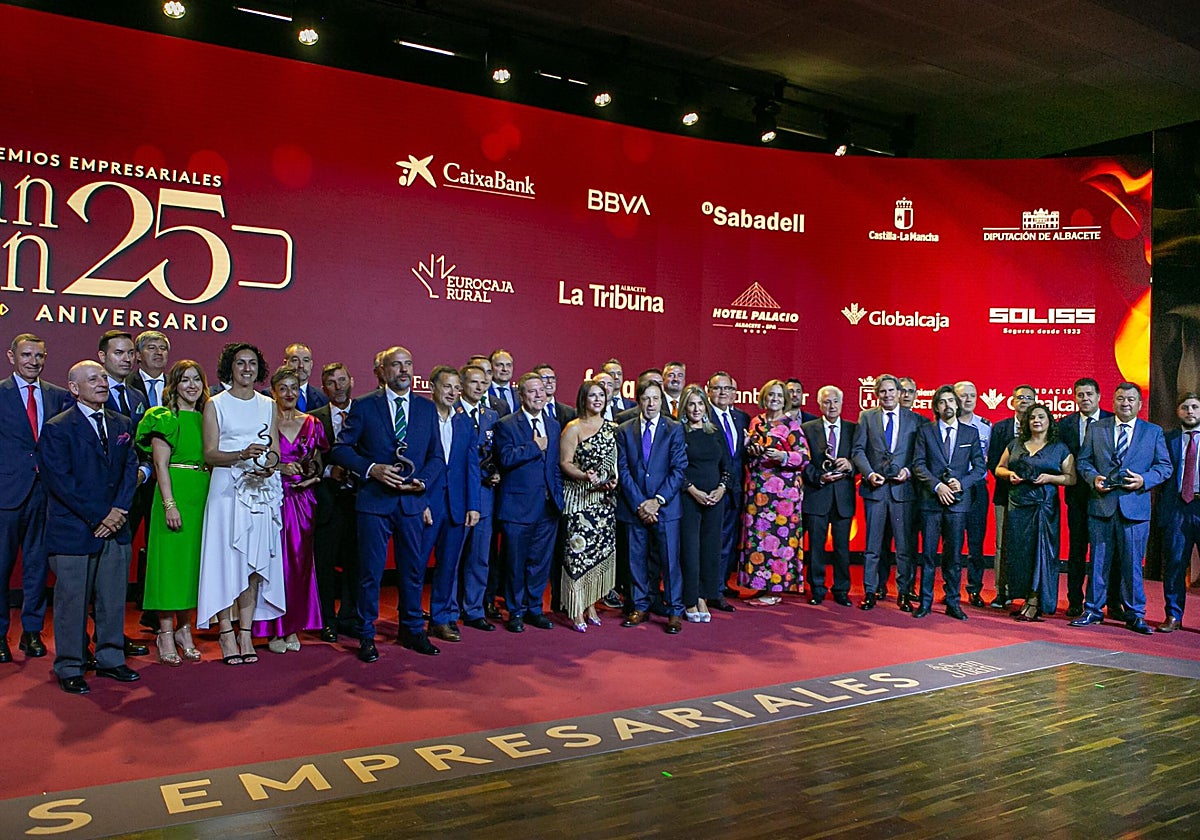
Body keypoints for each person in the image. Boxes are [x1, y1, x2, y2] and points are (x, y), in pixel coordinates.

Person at [331, 346, 445, 662]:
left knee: (412, 571)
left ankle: (412, 630)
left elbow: (437, 456)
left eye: (408, 364)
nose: (404, 370)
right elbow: (341, 450)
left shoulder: (426, 409)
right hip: (374, 504)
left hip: (411, 502)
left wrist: (424, 480)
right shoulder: (365, 407)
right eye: (396, 365)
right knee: (370, 573)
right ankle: (366, 635)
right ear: (382, 370)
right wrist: (372, 469)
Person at [37, 361, 141, 694]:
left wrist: (119, 510)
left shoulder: (122, 423)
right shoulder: (58, 427)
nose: (102, 383)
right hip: (74, 531)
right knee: (72, 603)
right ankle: (70, 664)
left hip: (115, 528)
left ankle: (111, 659)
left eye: (104, 378)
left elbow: (129, 470)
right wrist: (100, 516)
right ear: (74, 387)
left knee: (112, 599)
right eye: (93, 379)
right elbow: (60, 482)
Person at [196, 343, 284, 665]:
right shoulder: (215, 404)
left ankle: (245, 631)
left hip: (261, 491)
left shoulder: (268, 405)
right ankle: (225, 632)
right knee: (225, 560)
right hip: (226, 490)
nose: (246, 369)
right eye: (239, 363)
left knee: (253, 564)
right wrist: (240, 456)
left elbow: (274, 450)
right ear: (229, 368)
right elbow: (209, 454)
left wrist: (268, 465)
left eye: (251, 363)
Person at [1071, 383, 1173, 634]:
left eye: (1130, 400)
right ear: (1112, 401)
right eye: (1120, 399)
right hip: (1101, 505)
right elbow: (1083, 461)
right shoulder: (1096, 429)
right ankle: (1092, 610)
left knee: (1132, 564)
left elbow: (1164, 467)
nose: (1125, 404)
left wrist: (1144, 480)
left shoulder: (1153, 432)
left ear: (1139, 404)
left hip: (1135, 509)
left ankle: (1135, 614)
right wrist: (1093, 477)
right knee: (1097, 562)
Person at [0, 334, 71, 663]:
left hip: (46, 495)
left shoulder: (58, 396)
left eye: (39, 356)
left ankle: (31, 632)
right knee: (1, 569)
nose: (33, 361)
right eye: (26, 355)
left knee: (37, 568)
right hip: (6, 495)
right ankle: (0, 634)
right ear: (11, 357)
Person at [136, 360, 212, 665]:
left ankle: (185, 629)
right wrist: (169, 504)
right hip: (175, 496)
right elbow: (160, 466)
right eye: (184, 380)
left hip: (203, 496)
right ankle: (165, 632)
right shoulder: (164, 417)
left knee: (193, 568)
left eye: (196, 379)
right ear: (174, 386)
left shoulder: (208, 418)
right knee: (170, 568)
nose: (191, 385)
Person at [253, 366, 327, 653]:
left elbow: (317, 463)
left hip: (303, 499)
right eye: (282, 388)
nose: (289, 393)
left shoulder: (311, 422)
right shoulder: (263, 420)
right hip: (271, 497)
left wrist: (312, 475)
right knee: (273, 564)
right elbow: (256, 460)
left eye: (294, 388)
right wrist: (279, 468)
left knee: (299, 563)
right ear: (273, 392)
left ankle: (294, 625)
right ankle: (273, 629)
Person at [495, 372, 563, 633]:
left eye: (542, 390)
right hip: (517, 509)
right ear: (521, 395)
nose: (539, 395)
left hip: (548, 507)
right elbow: (505, 458)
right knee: (515, 562)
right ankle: (515, 611)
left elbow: (554, 465)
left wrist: (557, 496)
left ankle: (535, 609)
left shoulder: (554, 424)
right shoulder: (507, 425)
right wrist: (534, 447)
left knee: (539, 563)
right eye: (533, 391)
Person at [617, 380, 688, 633]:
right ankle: (639, 606)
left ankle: (674, 610)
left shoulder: (674, 428)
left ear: (661, 401)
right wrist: (640, 503)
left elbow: (679, 469)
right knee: (636, 560)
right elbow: (623, 470)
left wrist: (656, 501)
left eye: (655, 399)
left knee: (670, 562)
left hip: (665, 508)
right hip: (634, 508)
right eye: (646, 398)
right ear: (638, 401)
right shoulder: (624, 430)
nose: (650, 404)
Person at [911, 385, 986, 620]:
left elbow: (980, 467)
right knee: (929, 555)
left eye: (951, 401)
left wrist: (961, 483)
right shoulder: (925, 431)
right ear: (936, 407)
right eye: (942, 402)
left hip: (958, 502)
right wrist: (937, 486)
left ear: (957, 404)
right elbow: (918, 465)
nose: (947, 406)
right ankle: (925, 602)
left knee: (954, 556)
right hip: (930, 502)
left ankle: (953, 602)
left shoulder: (970, 433)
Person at [995, 402, 1074, 621]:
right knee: (1020, 553)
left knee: (1041, 553)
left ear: (1049, 421)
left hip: (1043, 508)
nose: (1036, 421)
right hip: (1018, 507)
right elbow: (999, 468)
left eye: (1041, 417)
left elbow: (1071, 477)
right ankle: (1023, 597)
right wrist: (1008, 475)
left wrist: (1050, 478)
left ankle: (1035, 601)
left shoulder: (1059, 447)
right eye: (1032, 418)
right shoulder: (1015, 444)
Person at [851, 374, 920, 610]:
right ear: (876, 394)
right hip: (875, 490)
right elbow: (858, 450)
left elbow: (920, 456)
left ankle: (903, 593)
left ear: (900, 393)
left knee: (903, 547)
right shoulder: (866, 417)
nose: (888, 395)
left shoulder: (916, 420)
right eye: (883, 392)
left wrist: (908, 472)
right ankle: (870, 591)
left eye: (892, 391)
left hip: (903, 491)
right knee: (872, 546)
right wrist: (869, 473)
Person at [739, 379, 810, 605]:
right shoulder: (755, 422)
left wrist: (784, 457)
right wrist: (750, 447)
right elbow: (750, 452)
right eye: (771, 395)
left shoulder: (791, 425)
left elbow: (805, 457)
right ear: (764, 397)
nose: (775, 399)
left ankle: (775, 589)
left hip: (783, 495)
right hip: (758, 489)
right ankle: (761, 586)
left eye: (779, 396)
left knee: (778, 541)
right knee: (759, 540)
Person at [425, 366, 481, 643]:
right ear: (432, 387)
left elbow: (472, 464)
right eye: (447, 386)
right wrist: (420, 501)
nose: (452, 392)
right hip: (426, 504)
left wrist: (474, 504)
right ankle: (410, 619)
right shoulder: (421, 418)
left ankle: (442, 617)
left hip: (457, 505)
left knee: (449, 565)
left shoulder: (463, 422)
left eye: (456, 387)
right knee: (416, 565)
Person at [558, 378, 618, 631]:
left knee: (598, 554)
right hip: (578, 502)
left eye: (601, 396)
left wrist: (612, 481)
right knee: (578, 555)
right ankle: (576, 608)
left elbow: (616, 466)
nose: (597, 400)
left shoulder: (613, 428)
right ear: (583, 399)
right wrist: (584, 476)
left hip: (604, 505)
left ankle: (592, 603)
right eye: (592, 395)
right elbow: (565, 463)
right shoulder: (573, 428)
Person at [1057, 377, 1115, 618]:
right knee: (1078, 551)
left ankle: (1112, 602)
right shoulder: (1064, 424)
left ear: (1099, 396)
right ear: (1075, 398)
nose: (1085, 399)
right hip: (1078, 498)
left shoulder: (1113, 420)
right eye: (1080, 395)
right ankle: (1075, 600)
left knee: (1108, 552)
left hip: (1108, 497)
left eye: (1089, 394)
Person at [310, 363, 360, 641]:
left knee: (356, 564)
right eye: (332, 382)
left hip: (359, 502)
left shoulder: (366, 413)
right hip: (327, 502)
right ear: (324, 387)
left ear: (351, 381)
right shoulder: (313, 419)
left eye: (342, 380)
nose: (338, 386)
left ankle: (350, 617)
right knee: (325, 566)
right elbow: (307, 461)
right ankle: (326, 620)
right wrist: (330, 471)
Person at [801, 385, 857, 607]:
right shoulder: (807, 428)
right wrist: (819, 478)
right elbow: (802, 462)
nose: (831, 406)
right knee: (816, 547)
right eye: (826, 402)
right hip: (817, 495)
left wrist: (851, 465)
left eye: (835, 401)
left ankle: (842, 589)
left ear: (842, 404)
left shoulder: (854, 429)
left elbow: (862, 459)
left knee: (842, 548)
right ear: (819, 404)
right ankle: (817, 588)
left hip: (843, 497)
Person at [457, 363, 503, 631]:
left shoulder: (491, 416)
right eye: (474, 382)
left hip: (485, 493)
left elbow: (496, 452)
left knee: (479, 556)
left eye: (483, 383)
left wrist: (495, 470)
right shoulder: (452, 412)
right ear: (462, 384)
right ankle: (448, 609)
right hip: (457, 494)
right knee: (452, 555)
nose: (479, 387)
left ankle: (474, 609)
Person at [678, 385, 730, 622]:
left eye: (700, 404)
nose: (696, 409)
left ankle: (703, 597)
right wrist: (693, 491)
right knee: (690, 550)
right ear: (684, 407)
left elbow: (727, 466)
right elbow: (676, 467)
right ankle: (689, 599)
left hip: (715, 500)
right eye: (691, 404)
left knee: (710, 550)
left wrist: (721, 489)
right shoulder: (679, 432)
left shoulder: (714, 431)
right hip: (689, 499)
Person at [987, 384, 1037, 609]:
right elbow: (993, 462)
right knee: (1002, 545)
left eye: (1029, 397)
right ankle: (1002, 591)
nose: (1024, 401)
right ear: (1012, 401)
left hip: (1033, 497)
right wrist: (1009, 477)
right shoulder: (1000, 428)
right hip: (1005, 493)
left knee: (1030, 545)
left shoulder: (1042, 427)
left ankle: (1030, 593)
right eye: (1020, 397)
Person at [1157, 391, 1200, 632]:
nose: (1190, 411)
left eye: (1194, 407)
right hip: (1176, 508)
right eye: (1185, 407)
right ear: (1178, 412)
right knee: (1174, 563)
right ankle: (1173, 615)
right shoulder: (1168, 438)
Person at [707, 371, 749, 607]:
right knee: (710, 541)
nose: (723, 393)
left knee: (727, 541)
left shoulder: (742, 418)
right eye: (718, 388)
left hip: (735, 489)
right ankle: (708, 589)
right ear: (709, 391)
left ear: (735, 393)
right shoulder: (702, 416)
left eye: (728, 389)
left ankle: (719, 585)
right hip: (710, 489)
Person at [953, 380, 992, 607]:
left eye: (972, 395)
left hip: (977, 489)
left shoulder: (986, 426)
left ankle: (974, 589)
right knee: (953, 541)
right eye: (963, 396)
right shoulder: (946, 425)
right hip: (954, 489)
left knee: (975, 543)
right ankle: (952, 589)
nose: (967, 400)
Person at [488, 349, 517, 415]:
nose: (505, 369)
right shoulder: (484, 393)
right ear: (490, 367)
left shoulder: (520, 394)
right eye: (499, 365)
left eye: (508, 365)